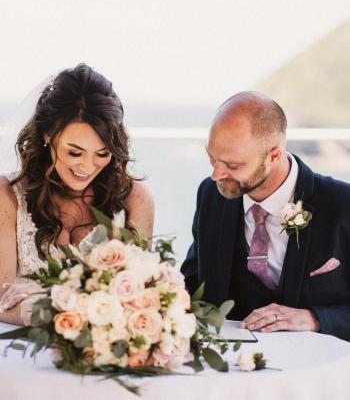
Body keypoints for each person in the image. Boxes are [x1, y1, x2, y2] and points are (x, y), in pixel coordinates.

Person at [181, 91, 350, 341]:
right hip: (231, 358)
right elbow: (193, 284)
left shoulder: (342, 205)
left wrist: (314, 318)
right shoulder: (211, 194)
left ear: (274, 155)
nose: (216, 175)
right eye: (212, 158)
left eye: (233, 165)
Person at [0, 63, 154, 325]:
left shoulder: (134, 199)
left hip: (101, 354)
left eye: (102, 154)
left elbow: (138, 299)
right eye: (75, 152)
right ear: (48, 135)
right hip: (23, 355)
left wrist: (45, 305)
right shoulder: (8, 197)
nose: (87, 167)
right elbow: (2, 301)